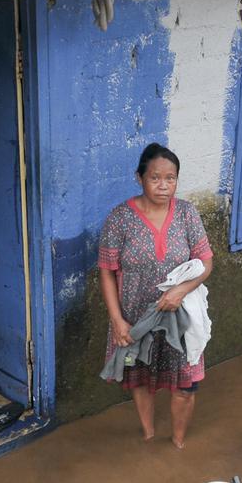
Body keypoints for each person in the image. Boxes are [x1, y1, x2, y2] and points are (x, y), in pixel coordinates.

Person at [98, 143, 214, 449]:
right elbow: (107, 271)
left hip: (181, 317)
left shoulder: (187, 213)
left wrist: (180, 290)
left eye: (171, 178)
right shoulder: (119, 219)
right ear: (139, 178)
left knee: (186, 387)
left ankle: (178, 443)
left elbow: (206, 262)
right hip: (136, 317)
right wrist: (117, 320)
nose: (163, 185)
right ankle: (148, 435)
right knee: (140, 379)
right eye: (155, 178)